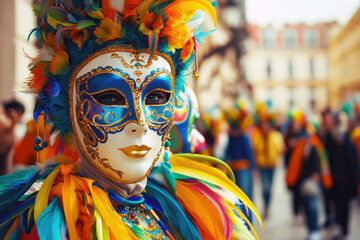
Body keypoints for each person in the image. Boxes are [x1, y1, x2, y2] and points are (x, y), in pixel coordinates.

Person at [0, 1, 260, 239]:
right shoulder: (49, 226)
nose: (140, 121)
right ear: (67, 106)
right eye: (110, 98)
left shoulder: (194, 212)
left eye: (157, 97)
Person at [252, 113, 284, 219]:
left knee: (269, 187)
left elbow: (281, 149)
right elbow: (255, 150)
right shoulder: (257, 137)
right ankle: (265, 206)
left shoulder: (275, 136)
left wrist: (277, 158)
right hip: (262, 165)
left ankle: (267, 206)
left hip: (272, 165)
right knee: (264, 187)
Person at [225, 99, 255, 201]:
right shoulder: (231, 138)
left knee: (244, 192)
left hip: (243, 168)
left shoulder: (244, 138)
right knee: (235, 193)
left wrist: (252, 167)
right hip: (233, 168)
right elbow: (228, 152)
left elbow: (249, 153)